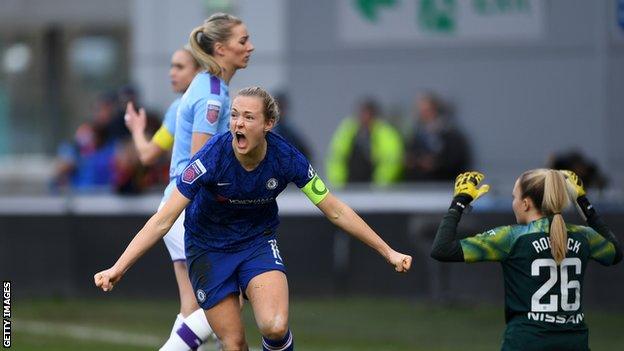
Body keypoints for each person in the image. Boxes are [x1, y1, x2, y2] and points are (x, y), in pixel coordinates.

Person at [94, 87, 412, 351]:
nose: (238, 124)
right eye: (234, 116)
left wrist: (388, 251)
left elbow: (335, 209)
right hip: (208, 250)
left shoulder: (286, 158)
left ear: (268, 124)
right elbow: (163, 220)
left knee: (275, 326)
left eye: (248, 117)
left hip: (256, 244)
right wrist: (118, 267)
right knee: (233, 345)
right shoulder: (210, 157)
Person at [123, 13, 254, 350]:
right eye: (243, 41)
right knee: (232, 297)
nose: (250, 47)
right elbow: (201, 163)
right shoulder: (212, 97)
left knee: (195, 307)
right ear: (221, 49)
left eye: (179, 66)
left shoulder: (204, 92)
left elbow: (155, 154)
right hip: (192, 210)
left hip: (179, 204)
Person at [430, 170, 622, 350]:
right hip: (575, 343)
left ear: (526, 203)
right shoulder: (584, 236)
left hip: (525, 342)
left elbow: (442, 249)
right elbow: (615, 253)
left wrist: (460, 201)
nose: (514, 202)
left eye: (515, 197)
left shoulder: (511, 237)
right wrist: (583, 203)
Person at [326, 98, 404, 187]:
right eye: (362, 114)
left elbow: (391, 161)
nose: (363, 117)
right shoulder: (348, 131)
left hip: (374, 185)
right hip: (349, 184)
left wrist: (378, 185)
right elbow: (336, 156)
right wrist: (338, 183)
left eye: (367, 114)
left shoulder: (385, 133)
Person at [404, 93, 470, 181]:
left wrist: (436, 163)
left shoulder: (449, 133)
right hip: (419, 186)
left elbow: (456, 160)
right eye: (420, 110)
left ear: (435, 110)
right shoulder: (416, 134)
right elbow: (410, 155)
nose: (423, 114)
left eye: (426, 110)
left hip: (443, 186)